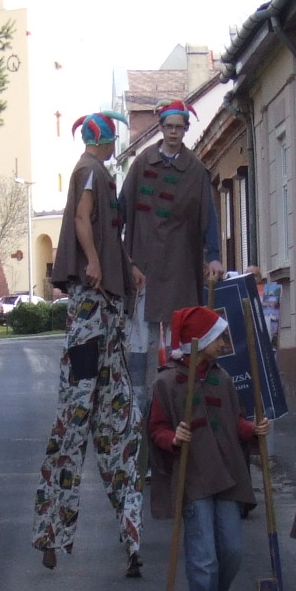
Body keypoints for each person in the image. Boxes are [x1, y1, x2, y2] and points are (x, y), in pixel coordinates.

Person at [33, 111, 146, 576]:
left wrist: (125, 264)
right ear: (104, 138)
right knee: (75, 427)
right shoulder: (90, 170)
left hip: (109, 320)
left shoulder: (98, 172)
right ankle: (53, 532)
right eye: (113, 136)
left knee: (119, 427)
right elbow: (82, 219)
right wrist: (95, 261)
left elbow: (102, 229)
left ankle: (131, 537)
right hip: (90, 318)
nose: (115, 143)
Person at [146, 307, 260, 591]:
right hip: (193, 477)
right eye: (219, 337)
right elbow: (156, 429)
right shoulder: (167, 383)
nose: (225, 343)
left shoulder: (222, 379)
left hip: (226, 475)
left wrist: (253, 430)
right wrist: (173, 437)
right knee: (204, 558)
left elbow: (235, 422)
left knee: (232, 552)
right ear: (200, 340)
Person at [120, 100, 221, 393]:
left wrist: (214, 255)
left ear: (186, 129)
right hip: (143, 263)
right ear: (161, 128)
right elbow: (121, 209)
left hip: (179, 265)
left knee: (176, 332)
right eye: (169, 127)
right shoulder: (142, 163)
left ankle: (174, 396)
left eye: (179, 127)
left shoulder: (196, 171)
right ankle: (137, 399)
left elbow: (209, 216)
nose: (174, 132)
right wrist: (117, 255)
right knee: (140, 335)